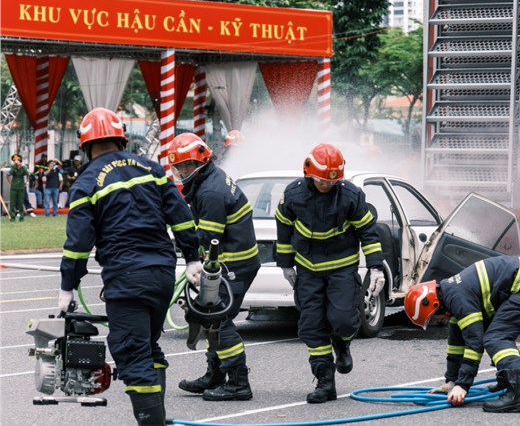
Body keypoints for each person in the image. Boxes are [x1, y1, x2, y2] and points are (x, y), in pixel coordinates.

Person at [58, 107, 201, 425]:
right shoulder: (152, 168)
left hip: (127, 278)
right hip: (162, 274)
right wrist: (192, 258)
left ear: (86, 145)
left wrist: (67, 286)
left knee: (131, 352)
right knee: (148, 348)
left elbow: (79, 243)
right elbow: (181, 217)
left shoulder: (85, 183)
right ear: (121, 139)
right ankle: (158, 417)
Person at [275, 143, 386, 403]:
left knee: (345, 320)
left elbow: (368, 232)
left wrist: (376, 266)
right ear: (309, 174)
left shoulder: (350, 196)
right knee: (311, 326)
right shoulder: (294, 195)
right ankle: (325, 382)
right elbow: (283, 227)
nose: (327, 185)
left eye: (331, 182)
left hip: (342, 267)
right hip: (308, 269)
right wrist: (285, 263)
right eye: (322, 181)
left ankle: (342, 343)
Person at [168, 132, 260, 402]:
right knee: (212, 318)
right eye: (178, 167)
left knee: (216, 318)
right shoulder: (209, 179)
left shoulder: (210, 192)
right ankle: (216, 374)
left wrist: (178, 243)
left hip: (234, 263)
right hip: (234, 260)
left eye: (184, 166)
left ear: (199, 162)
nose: (181, 172)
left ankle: (238, 382)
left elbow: (206, 239)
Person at [404, 255, 520, 413]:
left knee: (496, 337)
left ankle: (518, 394)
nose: (437, 322)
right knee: (494, 335)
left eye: (433, 319)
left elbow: (474, 342)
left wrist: (463, 386)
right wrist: (452, 382)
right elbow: (456, 344)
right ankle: (506, 383)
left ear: (434, 305)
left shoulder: (458, 299)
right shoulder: (452, 296)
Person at [6, 154, 30, 222]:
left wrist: (27, 182)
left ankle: (21, 217)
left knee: (20, 202)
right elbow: (8, 175)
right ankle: (12, 217)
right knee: (12, 203)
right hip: (14, 187)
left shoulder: (23, 167)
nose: (15, 161)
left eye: (17, 160)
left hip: (21, 187)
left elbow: (28, 174)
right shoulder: (13, 167)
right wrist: (10, 182)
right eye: (14, 160)